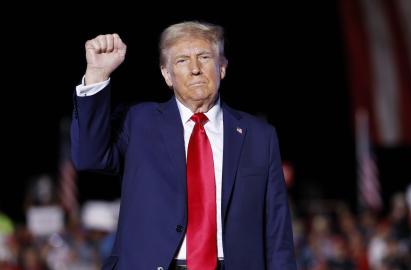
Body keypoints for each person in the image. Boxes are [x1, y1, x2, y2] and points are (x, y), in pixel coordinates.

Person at [71, 21, 296, 270]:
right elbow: (88, 157)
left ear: (222, 67)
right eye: (182, 60)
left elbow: (277, 231)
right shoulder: (138, 122)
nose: (195, 69)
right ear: (167, 75)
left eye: (204, 57)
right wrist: (97, 75)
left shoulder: (259, 136)